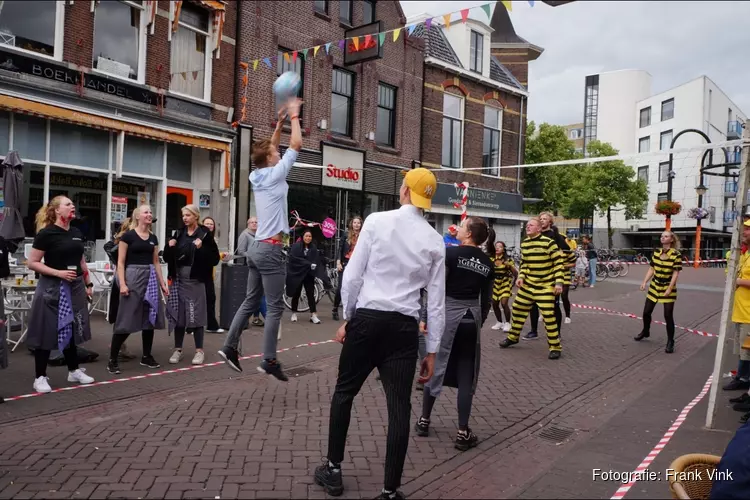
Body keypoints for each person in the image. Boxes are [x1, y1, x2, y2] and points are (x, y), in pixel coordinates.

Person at [313, 168, 446, 500]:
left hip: (368, 320)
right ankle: (390, 490)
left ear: (403, 191)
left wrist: (349, 318)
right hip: (403, 327)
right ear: (425, 201)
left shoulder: (375, 222)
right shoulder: (434, 241)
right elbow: (437, 302)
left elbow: (353, 276)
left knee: (344, 392)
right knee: (399, 407)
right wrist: (431, 351)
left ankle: (333, 468)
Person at [218, 98, 302, 380]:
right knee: (275, 306)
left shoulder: (257, 175)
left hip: (256, 248)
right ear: (270, 159)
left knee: (250, 301)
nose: (278, 153)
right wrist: (293, 117)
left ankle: (229, 346)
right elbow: (296, 145)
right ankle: (269, 359)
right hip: (269, 250)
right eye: (274, 152)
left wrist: (278, 126)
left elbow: (274, 148)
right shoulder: (277, 173)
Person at [415, 217, 494, 451]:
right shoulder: (488, 263)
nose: (457, 229)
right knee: (466, 373)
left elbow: (437, 290)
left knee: (435, 365)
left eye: (462, 226)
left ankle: (424, 420)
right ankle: (462, 432)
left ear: (469, 234)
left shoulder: (449, 255)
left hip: (447, 317)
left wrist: (426, 318)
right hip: (471, 318)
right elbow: (487, 300)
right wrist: (479, 322)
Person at [26, 196, 95, 393]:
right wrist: (59, 273)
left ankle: (73, 370)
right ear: (57, 210)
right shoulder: (46, 234)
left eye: (73, 204)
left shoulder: (75, 232)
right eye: (68, 204)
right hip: (52, 287)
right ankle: (40, 376)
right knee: (46, 330)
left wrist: (88, 282)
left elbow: (81, 260)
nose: (73, 206)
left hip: (75, 287)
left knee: (71, 328)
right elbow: (32, 262)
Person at [107, 206, 168, 374]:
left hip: (150, 277)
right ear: (137, 217)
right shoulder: (128, 236)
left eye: (150, 212)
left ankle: (146, 356)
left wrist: (162, 283)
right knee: (126, 317)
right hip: (132, 276)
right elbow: (120, 262)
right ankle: (112, 359)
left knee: (150, 316)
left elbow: (156, 261)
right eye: (146, 212)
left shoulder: (153, 238)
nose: (149, 214)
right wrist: (123, 284)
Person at [499, 217, 564, 360]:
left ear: (539, 229)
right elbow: (525, 264)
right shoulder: (525, 243)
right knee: (517, 309)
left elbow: (558, 263)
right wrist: (521, 276)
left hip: (545, 286)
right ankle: (513, 337)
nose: (527, 227)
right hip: (528, 285)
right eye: (527, 225)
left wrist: (558, 283)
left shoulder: (549, 243)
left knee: (548, 315)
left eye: (531, 225)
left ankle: (555, 347)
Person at [163, 204, 220, 365]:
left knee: (196, 315)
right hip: (179, 280)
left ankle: (199, 351)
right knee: (179, 315)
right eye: (183, 216)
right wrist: (169, 246)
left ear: (196, 216)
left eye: (188, 215)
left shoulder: (204, 234)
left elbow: (214, 258)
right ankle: (177, 350)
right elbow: (167, 257)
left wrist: (201, 249)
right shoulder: (179, 233)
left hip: (196, 280)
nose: (185, 218)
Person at [521, 213, 569, 340]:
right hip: (534, 277)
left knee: (553, 306)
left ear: (550, 222)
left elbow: (567, 250)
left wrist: (561, 259)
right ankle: (533, 330)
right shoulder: (533, 236)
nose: (542, 221)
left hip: (550, 277)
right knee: (532, 304)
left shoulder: (555, 236)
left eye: (545, 219)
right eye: (540, 219)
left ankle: (556, 332)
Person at [634, 230, 682, 353]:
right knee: (646, 312)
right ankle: (645, 331)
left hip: (667, 287)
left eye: (665, 236)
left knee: (668, 315)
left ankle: (670, 341)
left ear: (671, 239)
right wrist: (644, 282)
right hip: (655, 286)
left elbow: (676, 273)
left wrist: (669, 289)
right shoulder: (656, 253)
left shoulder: (676, 255)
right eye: (661, 236)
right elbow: (652, 268)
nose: (662, 238)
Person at [287, 230, 322, 324]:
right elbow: (294, 259)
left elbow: (316, 259)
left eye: (310, 236)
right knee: (296, 294)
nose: (308, 238)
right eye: (306, 236)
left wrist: (314, 266)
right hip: (298, 273)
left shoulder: (313, 248)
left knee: (310, 294)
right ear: (303, 237)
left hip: (308, 274)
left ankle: (313, 314)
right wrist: (308, 263)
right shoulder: (296, 246)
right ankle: (294, 313)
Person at [236, 216, 267, 326]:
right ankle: (267, 318)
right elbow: (241, 251)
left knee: (259, 293)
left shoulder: (260, 234)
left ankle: (256, 317)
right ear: (248, 224)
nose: (254, 224)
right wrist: (251, 255)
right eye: (252, 222)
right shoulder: (245, 235)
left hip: (261, 265)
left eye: (256, 222)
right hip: (251, 267)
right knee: (255, 294)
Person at [332, 216, 363, 321]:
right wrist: (338, 262)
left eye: (358, 223)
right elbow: (340, 248)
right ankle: (335, 308)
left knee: (357, 287)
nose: (356, 225)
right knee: (341, 287)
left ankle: (355, 311)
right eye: (355, 222)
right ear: (352, 224)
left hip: (357, 263)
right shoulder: (346, 234)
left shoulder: (363, 236)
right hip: (345, 262)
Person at [200, 217, 225, 334]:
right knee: (200, 299)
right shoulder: (200, 237)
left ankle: (211, 324)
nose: (209, 226)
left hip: (209, 273)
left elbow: (212, 256)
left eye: (211, 224)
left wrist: (220, 255)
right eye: (207, 223)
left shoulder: (213, 239)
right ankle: (190, 326)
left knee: (210, 298)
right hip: (199, 273)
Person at [491, 241, 517, 332]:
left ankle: (507, 323)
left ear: (503, 249)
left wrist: (509, 266)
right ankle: (499, 322)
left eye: (500, 247)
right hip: (495, 283)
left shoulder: (507, 260)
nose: (497, 248)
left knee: (504, 303)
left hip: (505, 282)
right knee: (494, 303)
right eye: (496, 246)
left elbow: (515, 273)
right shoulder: (491, 259)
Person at [555, 226, 575, 325]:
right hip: (554, 276)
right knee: (553, 297)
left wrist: (563, 266)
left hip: (565, 276)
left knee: (564, 296)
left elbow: (573, 263)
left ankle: (567, 316)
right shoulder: (553, 250)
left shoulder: (567, 251)